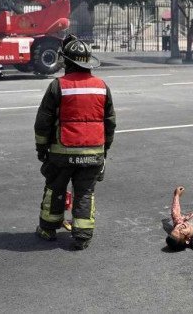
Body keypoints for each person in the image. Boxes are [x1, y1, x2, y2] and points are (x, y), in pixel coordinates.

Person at [34, 34, 116, 249]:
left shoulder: (57, 86)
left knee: (55, 190)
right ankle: (82, 236)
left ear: (66, 62)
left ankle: (48, 229)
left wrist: (41, 148)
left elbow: (43, 121)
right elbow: (110, 122)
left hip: (61, 153)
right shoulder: (101, 86)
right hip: (93, 153)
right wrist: (104, 149)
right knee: (85, 193)